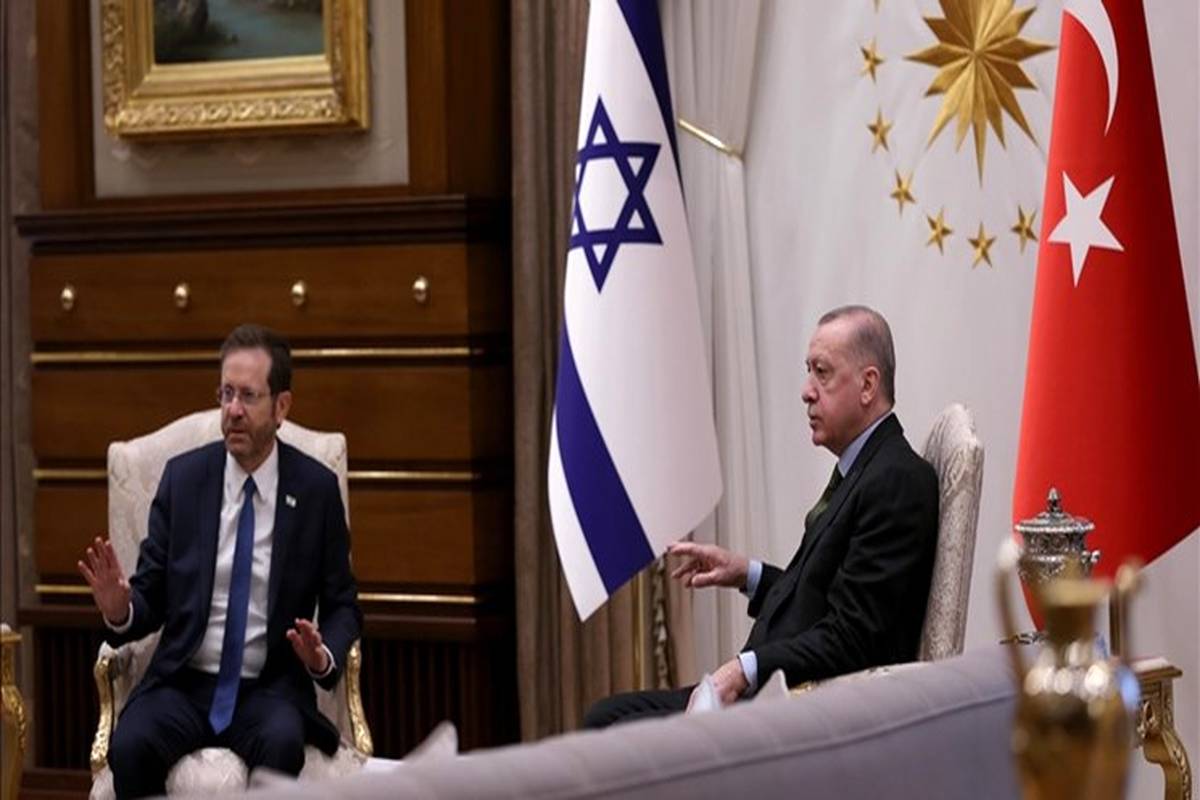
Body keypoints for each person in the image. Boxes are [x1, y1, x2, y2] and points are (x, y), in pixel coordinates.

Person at [584, 305, 938, 726]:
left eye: (822, 373)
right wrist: (746, 574)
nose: (806, 391)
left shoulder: (896, 480)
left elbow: (854, 638)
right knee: (606, 717)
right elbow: (816, 600)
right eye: (808, 371)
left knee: (608, 724)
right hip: (775, 695)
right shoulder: (865, 469)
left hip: (806, 715)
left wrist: (743, 669)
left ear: (868, 385)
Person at [77, 324, 362, 798]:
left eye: (248, 396)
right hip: (184, 683)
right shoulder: (184, 480)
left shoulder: (315, 490)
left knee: (281, 744)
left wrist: (322, 656)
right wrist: (120, 609)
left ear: (282, 407)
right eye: (226, 394)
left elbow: (343, 604)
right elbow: (150, 595)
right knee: (130, 745)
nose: (233, 410)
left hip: (269, 688)